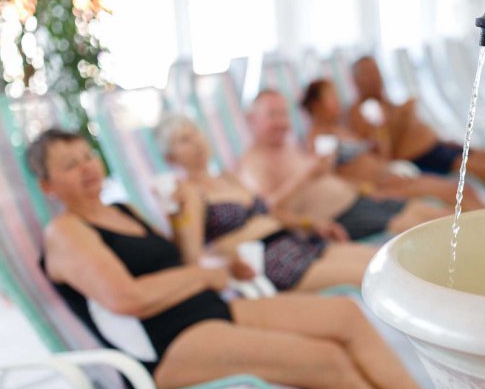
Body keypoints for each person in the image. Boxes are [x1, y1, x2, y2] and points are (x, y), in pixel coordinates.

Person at [28, 128, 469, 389]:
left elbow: (182, 263)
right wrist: (204, 276)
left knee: (344, 315)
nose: (86, 167)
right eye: (70, 164)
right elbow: (127, 298)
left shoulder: (122, 209)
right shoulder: (65, 232)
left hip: (208, 308)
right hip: (165, 345)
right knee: (324, 359)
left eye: (87, 156)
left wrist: (190, 229)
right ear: (48, 186)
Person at [154, 114, 375, 292]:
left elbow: (271, 213)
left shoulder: (228, 177)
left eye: (196, 133)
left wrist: (311, 224)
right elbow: (192, 257)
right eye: (184, 139)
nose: (196, 142)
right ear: (170, 158)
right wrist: (226, 265)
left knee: (377, 261)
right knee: (367, 277)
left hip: (293, 242)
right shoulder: (188, 194)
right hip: (269, 262)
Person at [238, 90, 449, 241]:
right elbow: (266, 209)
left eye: (284, 114)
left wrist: (363, 189)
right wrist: (305, 179)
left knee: (429, 212)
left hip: (357, 198)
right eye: (272, 115)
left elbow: (321, 177)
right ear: (252, 119)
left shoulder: (288, 145)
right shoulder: (253, 164)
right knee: (416, 226)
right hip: (339, 216)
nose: (282, 122)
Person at [347, 56, 485, 204]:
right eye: (368, 73)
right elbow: (383, 156)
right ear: (356, 81)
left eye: (376, 70)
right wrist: (400, 119)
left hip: (440, 147)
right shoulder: (362, 111)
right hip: (426, 158)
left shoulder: (385, 102)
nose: (376, 77)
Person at [302, 77, 485, 211]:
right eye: (331, 96)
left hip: (392, 177)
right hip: (380, 188)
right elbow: (328, 177)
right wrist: (367, 190)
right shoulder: (319, 139)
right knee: (456, 194)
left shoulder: (341, 130)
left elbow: (382, 158)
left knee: (464, 191)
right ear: (316, 104)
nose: (338, 101)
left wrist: (380, 134)